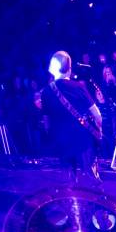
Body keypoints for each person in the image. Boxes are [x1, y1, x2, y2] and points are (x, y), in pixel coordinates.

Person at [38, 50, 103, 182]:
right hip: (82, 139)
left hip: (61, 141)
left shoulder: (45, 92)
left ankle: (70, 201)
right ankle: (95, 200)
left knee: (68, 180)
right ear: (69, 68)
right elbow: (97, 114)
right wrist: (99, 129)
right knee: (91, 177)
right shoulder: (78, 87)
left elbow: (46, 122)